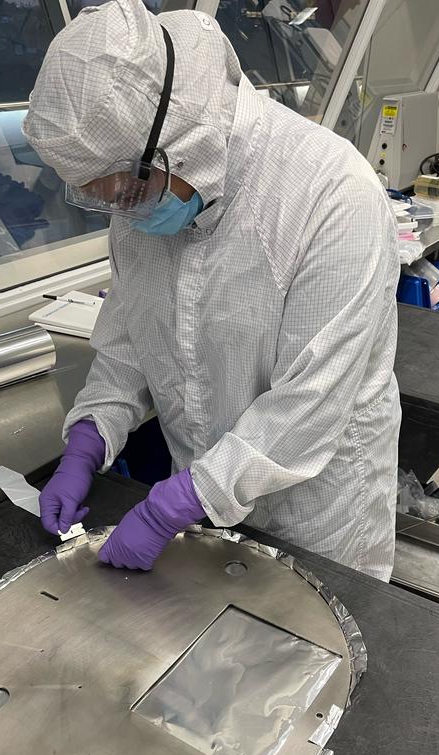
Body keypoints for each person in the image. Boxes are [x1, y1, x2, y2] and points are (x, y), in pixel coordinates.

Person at [23, 0, 401, 581]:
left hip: (315, 515)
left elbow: (312, 400)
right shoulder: (148, 196)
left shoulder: (331, 192)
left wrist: (172, 507)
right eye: (103, 197)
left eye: (127, 190)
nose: (124, 211)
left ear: (182, 139)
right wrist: (88, 440)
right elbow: (131, 340)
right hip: (198, 509)